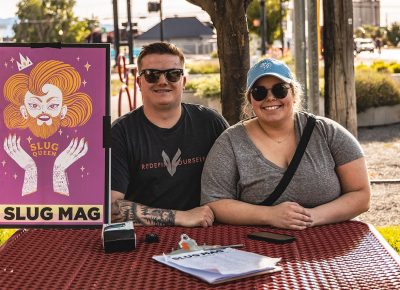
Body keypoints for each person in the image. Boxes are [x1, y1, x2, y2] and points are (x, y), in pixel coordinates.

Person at [201, 58, 371, 230]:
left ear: (294, 94)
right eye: (259, 92)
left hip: (331, 242)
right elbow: (214, 201)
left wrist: (312, 217)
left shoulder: (327, 132)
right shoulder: (230, 142)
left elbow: (361, 194)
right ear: (250, 100)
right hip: (259, 246)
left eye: (279, 90)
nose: (270, 98)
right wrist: (269, 216)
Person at [111, 42, 228, 227]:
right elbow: (110, 207)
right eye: (151, 75)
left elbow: (237, 186)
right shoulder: (120, 133)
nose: (162, 81)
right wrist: (180, 217)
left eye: (173, 74)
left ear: (184, 81)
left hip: (208, 234)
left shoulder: (210, 123)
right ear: (139, 82)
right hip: (143, 241)